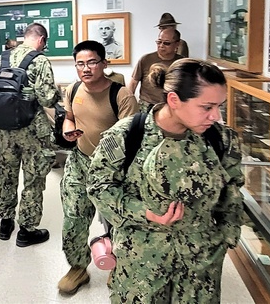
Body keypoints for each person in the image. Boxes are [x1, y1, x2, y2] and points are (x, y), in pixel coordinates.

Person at [87, 59, 245, 302]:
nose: (216, 115)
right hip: (141, 261)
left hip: (200, 263)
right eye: (206, 107)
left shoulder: (221, 141)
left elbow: (233, 189)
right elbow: (99, 187)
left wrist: (225, 237)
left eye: (219, 106)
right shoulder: (127, 135)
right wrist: (146, 213)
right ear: (173, 100)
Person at [56, 40, 138, 295]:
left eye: (92, 62)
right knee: (73, 218)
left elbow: (132, 139)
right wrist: (68, 131)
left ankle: (121, 265)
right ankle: (78, 267)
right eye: (80, 63)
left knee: (117, 220)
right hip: (79, 162)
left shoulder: (121, 95)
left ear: (104, 63)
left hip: (112, 171)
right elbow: (69, 118)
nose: (86, 68)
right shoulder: (73, 90)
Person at [0, 23, 58, 247]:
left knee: (7, 174)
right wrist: (58, 93)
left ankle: (5, 222)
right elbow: (47, 98)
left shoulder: (3, 58)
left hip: (4, 130)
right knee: (33, 178)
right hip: (31, 131)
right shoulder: (39, 60)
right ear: (41, 40)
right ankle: (27, 230)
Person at [128, 28, 184, 110]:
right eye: (159, 42)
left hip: (170, 106)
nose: (161, 46)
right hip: (146, 106)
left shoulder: (182, 63)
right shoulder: (146, 59)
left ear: (177, 44)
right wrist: (129, 104)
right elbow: (133, 83)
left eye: (166, 43)